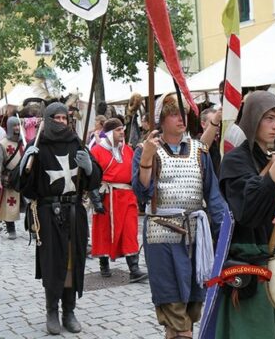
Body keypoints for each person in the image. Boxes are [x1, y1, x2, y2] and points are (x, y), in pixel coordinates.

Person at [132, 93, 226, 339]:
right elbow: (143, 193)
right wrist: (146, 159)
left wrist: (224, 232)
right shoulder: (146, 150)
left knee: (190, 308)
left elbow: (213, 196)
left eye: (182, 113)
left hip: (196, 236)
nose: (180, 119)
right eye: (173, 113)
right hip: (161, 236)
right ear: (161, 119)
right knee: (173, 305)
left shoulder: (199, 151)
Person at [19, 102, 102, 335]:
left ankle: (69, 310)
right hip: (47, 214)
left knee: (72, 262)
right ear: (47, 119)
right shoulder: (39, 145)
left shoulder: (77, 142)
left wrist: (89, 169)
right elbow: (23, 186)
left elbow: (94, 181)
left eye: (65, 118)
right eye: (56, 118)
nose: (61, 122)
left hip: (74, 212)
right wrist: (26, 165)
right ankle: (51, 311)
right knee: (53, 263)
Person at [215, 90, 275, 338]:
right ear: (253, 119)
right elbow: (250, 211)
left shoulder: (272, 158)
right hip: (252, 271)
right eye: (269, 118)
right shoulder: (235, 161)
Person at [90, 117, 147, 282]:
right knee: (104, 230)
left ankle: (134, 268)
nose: (122, 132)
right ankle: (104, 263)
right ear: (108, 133)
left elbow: (135, 173)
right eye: (118, 130)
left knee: (130, 230)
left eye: (122, 129)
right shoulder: (97, 151)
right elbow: (92, 178)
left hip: (127, 196)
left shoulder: (128, 150)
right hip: (106, 196)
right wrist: (96, 200)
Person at [0, 116, 23, 240]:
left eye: (18, 125)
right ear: (10, 127)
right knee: (9, 204)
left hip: (23, 177)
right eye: (14, 125)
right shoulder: (3, 144)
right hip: (10, 178)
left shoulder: (23, 142)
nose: (17, 128)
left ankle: (33, 228)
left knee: (30, 203)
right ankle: (11, 230)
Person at [199, 107, 222, 176]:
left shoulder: (221, 141)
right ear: (203, 124)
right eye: (212, 121)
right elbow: (202, 147)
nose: (218, 125)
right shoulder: (195, 142)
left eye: (219, 122)